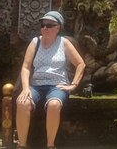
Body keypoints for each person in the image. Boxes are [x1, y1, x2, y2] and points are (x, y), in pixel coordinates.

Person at [15, 11, 86, 149]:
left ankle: (50, 145)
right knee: (22, 103)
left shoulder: (63, 43)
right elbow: (26, 67)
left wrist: (74, 84)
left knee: (54, 105)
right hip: (36, 85)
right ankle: (22, 145)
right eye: (43, 25)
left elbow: (80, 64)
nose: (45, 28)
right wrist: (25, 88)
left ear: (57, 28)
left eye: (49, 25)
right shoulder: (35, 42)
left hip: (57, 85)